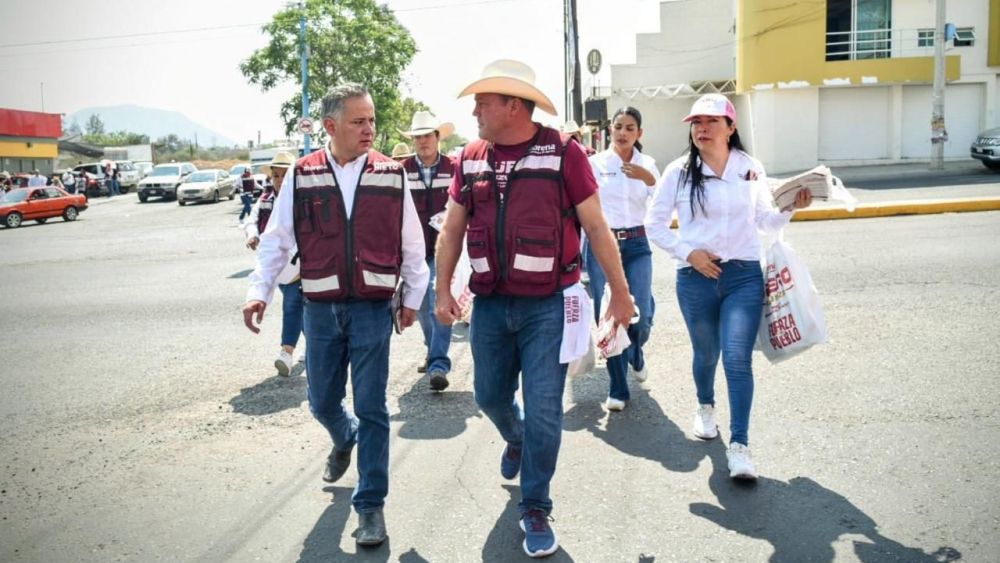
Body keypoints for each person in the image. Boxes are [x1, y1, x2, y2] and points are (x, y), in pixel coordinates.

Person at [434, 59, 634, 558]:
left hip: (549, 305)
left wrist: (622, 292)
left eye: (484, 101)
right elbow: (453, 229)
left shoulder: (564, 153)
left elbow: (596, 225)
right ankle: (514, 435)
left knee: (546, 409)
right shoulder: (470, 157)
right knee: (489, 397)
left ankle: (536, 504)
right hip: (490, 307)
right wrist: (441, 291)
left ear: (514, 106)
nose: (475, 110)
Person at [242, 82, 428, 547]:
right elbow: (277, 239)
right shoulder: (303, 175)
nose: (370, 130)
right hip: (319, 308)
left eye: (372, 120)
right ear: (331, 126)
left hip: (371, 308)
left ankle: (370, 507)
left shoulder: (391, 173)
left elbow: (412, 242)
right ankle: (342, 436)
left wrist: (412, 298)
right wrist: (258, 290)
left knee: (373, 408)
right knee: (322, 402)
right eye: (358, 122)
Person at [645, 93, 813, 481]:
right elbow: (654, 225)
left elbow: (766, 222)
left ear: (731, 128)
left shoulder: (749, 168)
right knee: (706, 354)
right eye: (696, 123)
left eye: (711, 122)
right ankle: (705, 406)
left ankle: (740, 446)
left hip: (743, 276)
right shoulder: (678, 172)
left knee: (737, 357)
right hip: (696, 278)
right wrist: (690, 254)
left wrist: (791, 207)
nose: (701, 129)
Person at [585, 106, 660, 411]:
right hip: (603, 244)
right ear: (610, 131)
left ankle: (637, 353)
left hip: (638, 244)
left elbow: (663, 208)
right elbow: (584, 207)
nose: (623, 132)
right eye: (618, 127)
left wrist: (649, 180)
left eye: (630, 128)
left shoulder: (650, 165)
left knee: (639, 316)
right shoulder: (595, 164)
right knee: (609, 315)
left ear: (639, 133)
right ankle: (618, 387)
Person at [398, 110, 458, 391]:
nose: (423, 141)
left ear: (437, 138)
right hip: (413, 250)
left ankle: (438, 364)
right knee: (421, 306)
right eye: (418, 137)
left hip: (445, 248)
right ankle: (432, 347)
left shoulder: (453, 168)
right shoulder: (401, 171)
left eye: (427, 136)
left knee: (438, 300)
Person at [243, 151, 302, 376]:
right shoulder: (265, 199)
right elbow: (252, 220)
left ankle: (286, 352)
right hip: (278, 268)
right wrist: (252, 234)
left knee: (292, 305)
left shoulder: (301, 198)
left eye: (284, 175)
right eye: (275, 176)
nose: (279, 180)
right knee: (300, 308)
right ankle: (309, 347)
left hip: (300, 265)